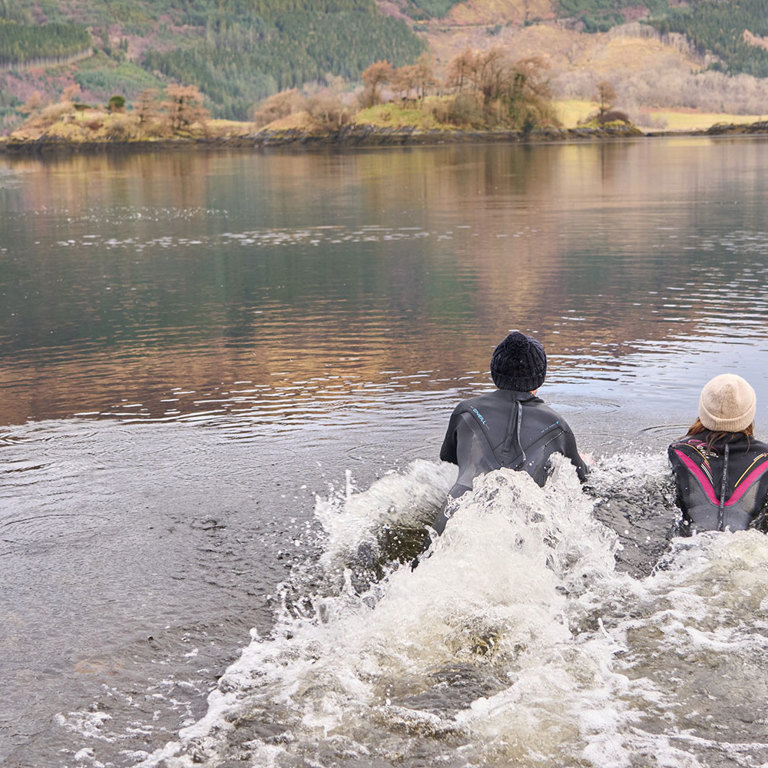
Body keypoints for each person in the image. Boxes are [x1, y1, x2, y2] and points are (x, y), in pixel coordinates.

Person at [433, 331, 589, 535]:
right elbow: (582, 478)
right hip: (517, 524)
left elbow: (448, 458)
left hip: (454, 516)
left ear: (494, 372)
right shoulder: (557, 425)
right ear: (540, 378)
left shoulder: (466, 411)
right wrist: (583, 462)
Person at [668, 373, 768, 534]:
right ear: (749, 414)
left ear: (703, 410)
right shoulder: (764, 457)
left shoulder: (679, 451)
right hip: (744, 546)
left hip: (690, 546)